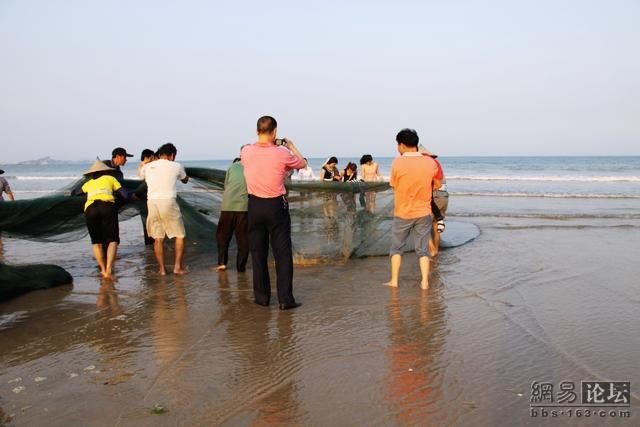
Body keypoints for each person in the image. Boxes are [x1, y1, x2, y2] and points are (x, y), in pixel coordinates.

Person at [241, 115, 306, 310]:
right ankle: (285, 300)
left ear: (256, 131)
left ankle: (262, 298)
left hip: (254, 205)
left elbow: (254, 163)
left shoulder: (246, 151)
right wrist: (291, 146)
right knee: (282, 253)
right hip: (276, 206)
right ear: (275, 132)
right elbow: (302, 164)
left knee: (258, 253)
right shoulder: (282, 152)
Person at [384, 129, 441, 290]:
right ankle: (424, 282)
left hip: (403, 212)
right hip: (424, 212)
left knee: (396, 247)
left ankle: (394, 281)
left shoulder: (397, 162)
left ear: (401, 145)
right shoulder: (430, 162)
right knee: (423, 250)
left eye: (398, 145)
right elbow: (437, 184)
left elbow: (394, 184)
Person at [139, 143, 189, 275]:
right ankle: (177, 267)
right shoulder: (177, 166)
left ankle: (162, 269)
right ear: (172, 155)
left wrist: (145, 164)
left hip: (152, 203)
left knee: (158, 238)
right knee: (179, 235)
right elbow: (185, 180)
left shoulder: (147, 167)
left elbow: (141, 176)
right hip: (168, 202)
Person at [80, 160, 129, 279]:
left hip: (90, 209)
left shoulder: (88, 183)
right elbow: (124, 194)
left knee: (97, 242)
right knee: (112, 240)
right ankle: (108, 270)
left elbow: (76, 192)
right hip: (107, 207)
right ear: (106, 171)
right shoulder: (110, 178)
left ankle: (102, 270)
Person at [216, 156, 249, 272]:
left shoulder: (232, 167)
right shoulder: (252, 167)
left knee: (223, 236)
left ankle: (221, 264)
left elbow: (226, 186)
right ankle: (241, 268)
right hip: (243, 208)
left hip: (227, 206)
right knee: (243, 239)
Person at [419, 145, 448, 256]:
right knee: (436, 224)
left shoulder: (426, 165)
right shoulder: (437, 164)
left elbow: (431, 184)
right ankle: (435, 250)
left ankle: (431, 250)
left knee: (422, 225)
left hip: (434, 196)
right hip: (444, 196)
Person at [137, 148, 157, 245]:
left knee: (148, 222)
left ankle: (151, 244)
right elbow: (143, 179)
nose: (154, 159)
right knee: (149, 222)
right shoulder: (144, 166)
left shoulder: (144, 166)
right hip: (146, 197)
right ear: (148, 157)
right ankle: (151, 243)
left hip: (146, 197)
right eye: (152, 157)